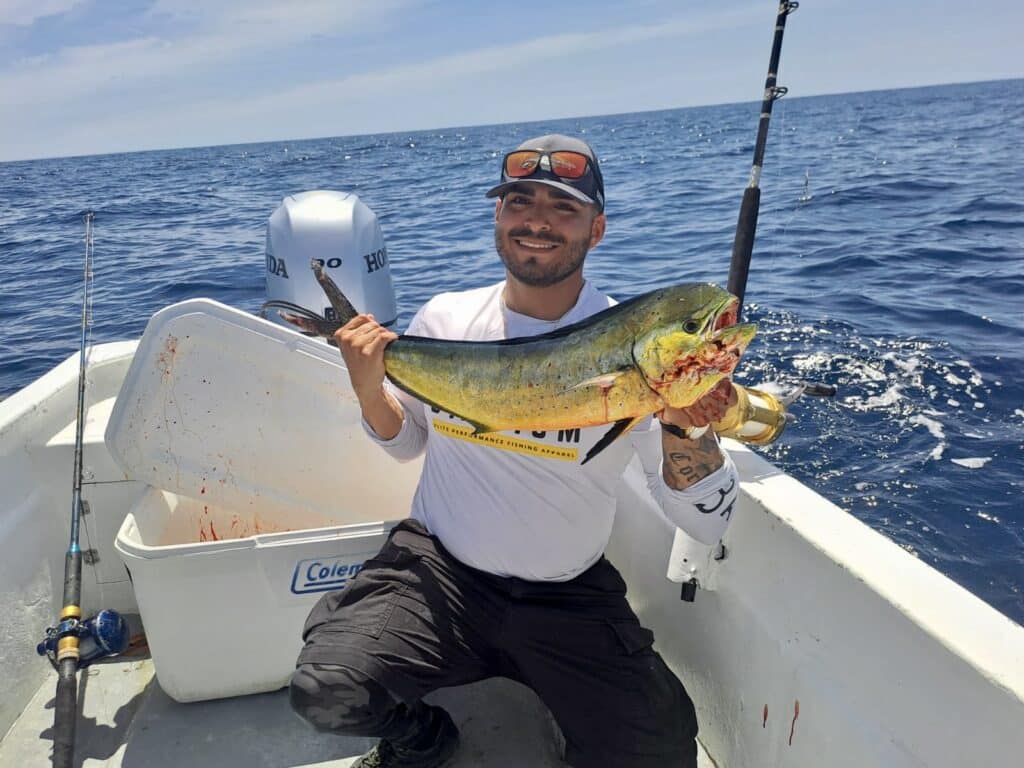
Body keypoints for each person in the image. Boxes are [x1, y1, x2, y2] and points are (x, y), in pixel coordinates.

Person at [290, 134, 740, 768]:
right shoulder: (447, 320)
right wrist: (368, 385)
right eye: (519, 202)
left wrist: (683, 429)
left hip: (567, 590)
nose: (537, 221)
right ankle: (425, 740)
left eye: (563, 208)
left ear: (598, 228)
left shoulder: (636, 348)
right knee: (326, 690)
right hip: (440, 573)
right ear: (499, 218)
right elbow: (407, 441)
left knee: (660, 751)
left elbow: (706, 520)